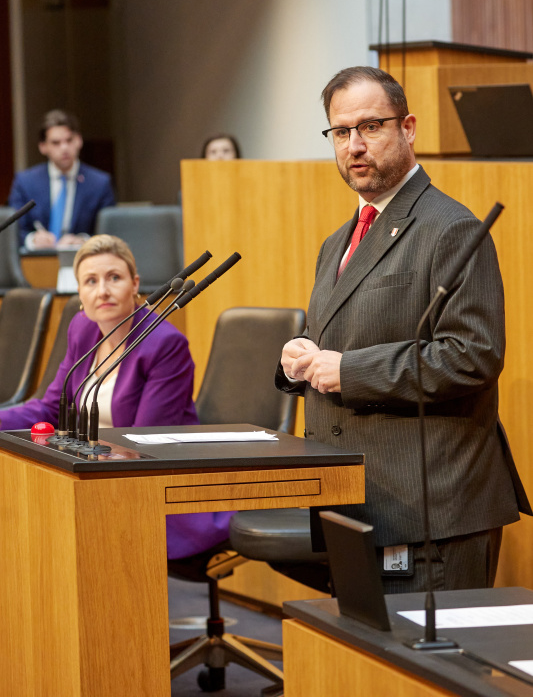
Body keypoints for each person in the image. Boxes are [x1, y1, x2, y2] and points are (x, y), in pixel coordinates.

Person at [275, 66, 531, 594]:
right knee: (369, 671)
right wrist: (301, 357)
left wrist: (348, 370)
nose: (355, 146)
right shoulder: (336, 242)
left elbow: (471, 355)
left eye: (371, 127)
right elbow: (346, 332)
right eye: (341, 133)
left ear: (408, 128)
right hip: (356, 499)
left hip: (431, 509)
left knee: (434, 673)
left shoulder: (451, 227)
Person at [0, 234, 232, 560]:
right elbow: (52, 407)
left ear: (135, 285)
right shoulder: (82, 329)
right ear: (79, 293)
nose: (103, 291)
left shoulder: (164, 343)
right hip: (97, 474)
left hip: (155, 483)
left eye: (114, 278)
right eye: (91, 281)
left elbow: (143, 441)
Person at [8, 110, 116, 249]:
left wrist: (84, 241)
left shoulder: (100, 183)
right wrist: (32, 239)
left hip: (82, 260)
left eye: (69, 140)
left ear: (79, 140)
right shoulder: (25, 182)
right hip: (36, 262)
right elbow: (13, 230)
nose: (64, 148)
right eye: (56, 143)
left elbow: (109, 232)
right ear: (43, 147)